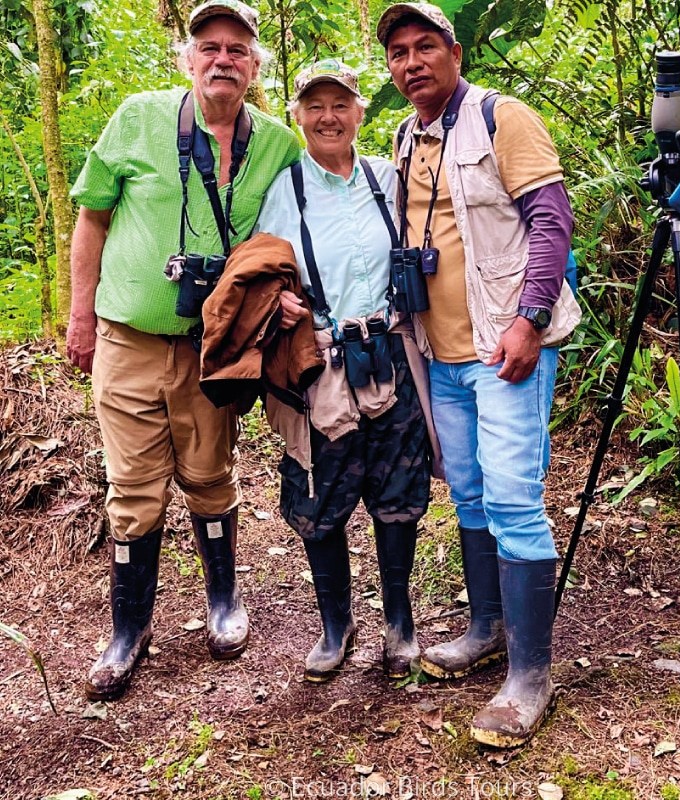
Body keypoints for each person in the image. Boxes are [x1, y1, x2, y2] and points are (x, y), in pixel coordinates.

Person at [66, 0, 300, 701]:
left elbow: (293, 237)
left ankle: (223, 603)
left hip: (214, 348)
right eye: (209, 46)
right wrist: (80, 316)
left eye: (237, 48)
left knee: (209, 473)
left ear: (255, 66)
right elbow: (93, 215)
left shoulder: (279, 144)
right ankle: (128, 628)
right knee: (133, 490)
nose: (222, 58)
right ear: (187, 57)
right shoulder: (138, 117)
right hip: (130, 340)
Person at [376, 2, 581, 747]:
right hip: (441, 354)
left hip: (506, 346)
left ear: (454, 52)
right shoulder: (404, 138)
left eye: (424, 46)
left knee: (514, 499)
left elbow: (552, 220)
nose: (411, 62)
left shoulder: (502, 117)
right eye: (398, 52)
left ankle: (531, 675)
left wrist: (529, 321)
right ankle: (487, 627)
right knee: (468, 491)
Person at [251, 59, 436, 683]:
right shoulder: (284, 189)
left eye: (340, 105)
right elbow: (254, 269)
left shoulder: (388, 177)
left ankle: (399, 623)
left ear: (361, 112)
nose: (328, 118)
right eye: (314, 106)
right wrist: (276, 297)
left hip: (390, 356)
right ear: (297, 115)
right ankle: (336, 625)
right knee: (318, 497)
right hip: (320, 366)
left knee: (399, 492)